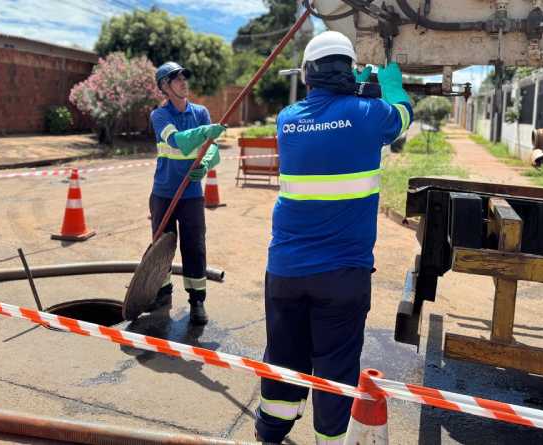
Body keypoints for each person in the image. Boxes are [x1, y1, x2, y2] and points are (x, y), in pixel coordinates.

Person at [254, 31, 413, 444]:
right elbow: (402, 116)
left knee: (284, 359)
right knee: (335, 366)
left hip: (286, 272)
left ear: (307, 75)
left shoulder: (287, 121)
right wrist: (392, 85)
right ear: (349, 72)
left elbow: (329, 118)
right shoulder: (370, 115)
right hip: (343, 276)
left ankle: (270, 433)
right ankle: (328, 438)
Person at [147, 61, 226, 325]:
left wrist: (205, 163)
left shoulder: (200, 112)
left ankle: (197, 301)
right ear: (165, 87)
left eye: (184, 77)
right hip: (164, 193)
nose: (183, 82)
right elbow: (177, 142)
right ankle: (162, 292)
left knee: (194, 247)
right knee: (161, 246)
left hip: (191, 195)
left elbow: (211, 150)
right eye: (176, 78)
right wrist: (205, 132)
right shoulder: (160, 116)